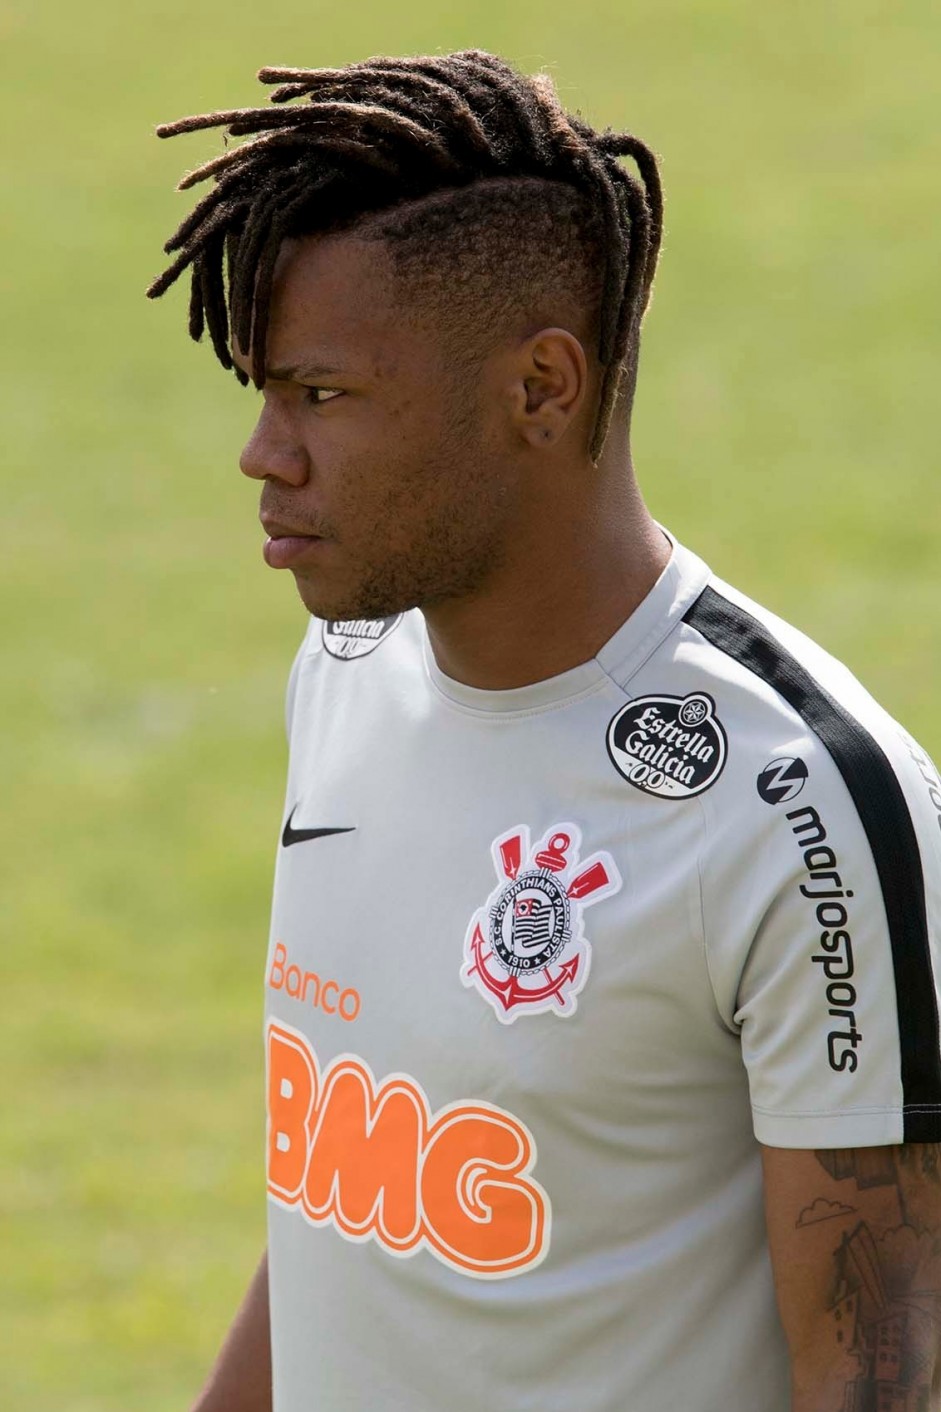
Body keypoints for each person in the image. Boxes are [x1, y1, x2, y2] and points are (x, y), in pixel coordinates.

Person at [147, 49, 941, 1412]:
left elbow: (874, 1371)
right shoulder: (349, 667)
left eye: (322, 396)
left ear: (539, 389)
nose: (265, 456)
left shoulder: (798, 806)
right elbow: (346, 1204)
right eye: (266, 395)